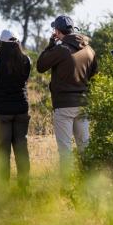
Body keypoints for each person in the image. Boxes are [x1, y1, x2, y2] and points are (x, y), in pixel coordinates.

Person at [36, 15, 98, 178]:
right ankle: (88, 183)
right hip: (83, 104)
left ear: (57, 31)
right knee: (85, 147)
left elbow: (40, 66)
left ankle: (67, 187)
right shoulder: (89, 50)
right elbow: (94, 75)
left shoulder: (60, 49)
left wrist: (50, 45)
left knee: (65, 151)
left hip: (63, 105)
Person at [0, 30, 31, 189]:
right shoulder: (27, 60)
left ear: (1, 44)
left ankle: (3, 187)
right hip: (21, 110)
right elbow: (25, 80)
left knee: (2, 152)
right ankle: (24, 186)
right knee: (21, 149)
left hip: (0, 112)